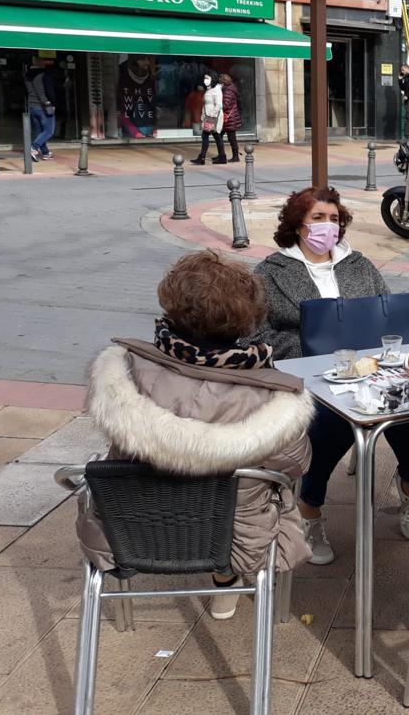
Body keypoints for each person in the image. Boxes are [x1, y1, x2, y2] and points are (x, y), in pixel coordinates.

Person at [77, 250, 313, 620]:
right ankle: (225, 579)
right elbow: (297, 464)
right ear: (247, 321)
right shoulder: (274, 400)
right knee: (267, 489)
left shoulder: (123, 374)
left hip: (129, 529)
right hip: (236, 541)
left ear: (170, 308)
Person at [253, 187, 409, 559]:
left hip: (370, 373)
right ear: (297, 224)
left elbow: (388, 314)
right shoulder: (271, 272)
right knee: (330, 421)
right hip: (311, 379)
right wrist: (312, 352)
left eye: (334, 219)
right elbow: (255, 336)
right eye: (318, 218)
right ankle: (310, 510)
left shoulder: (358, 264)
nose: (327, 226)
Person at [24, 57, 57, 161]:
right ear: (41, 63)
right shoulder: (43, 75)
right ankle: (33, 147)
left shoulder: (27, 75)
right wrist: (52, 103)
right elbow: (49, 91)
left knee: (39, 131)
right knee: (48, 131)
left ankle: (45, 152)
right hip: (44, 106)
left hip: (32, 106)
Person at [192, 72, 226, 165]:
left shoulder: (216, 89)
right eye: (204, 78)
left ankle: (202, 157)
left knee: (206, 136)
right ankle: (222, 156)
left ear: (213, 78)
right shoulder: (209, 89)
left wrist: (211, 115)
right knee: (216, 136)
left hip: (213, 117)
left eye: (207, 78)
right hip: (208, 116)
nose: (205, 80)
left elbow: (219, 105)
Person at [220, 72, 243, 162]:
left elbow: (225, 105)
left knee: (231, 138)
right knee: (221, 136)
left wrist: (217, 105)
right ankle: (222, 155)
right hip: (230, 118)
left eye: (220, 81)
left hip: (229, 119)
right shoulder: (230, 89)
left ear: (224, 82)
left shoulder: (228, 91)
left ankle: (235, 156)